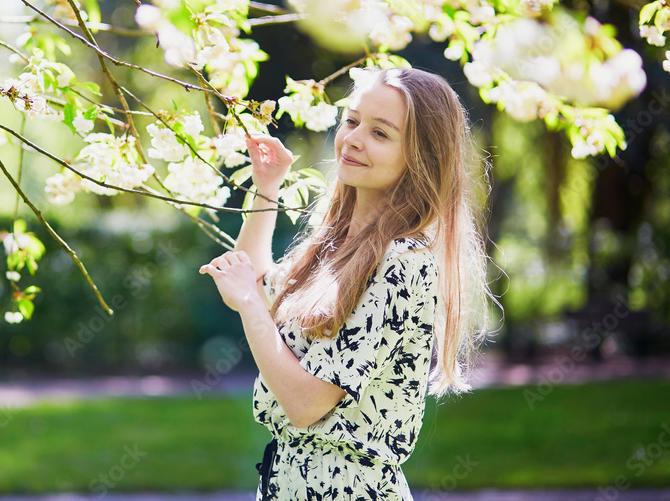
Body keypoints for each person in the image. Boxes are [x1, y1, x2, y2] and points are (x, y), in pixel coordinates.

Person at [200, 66, 497, 500]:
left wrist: (248, 303)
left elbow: (305, 404)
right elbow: (259, 284)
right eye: (352, 121)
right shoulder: (339, 243)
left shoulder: (404, 263)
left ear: (420, 157)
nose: (354, 138)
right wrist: (267, 189)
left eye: (381, 133)